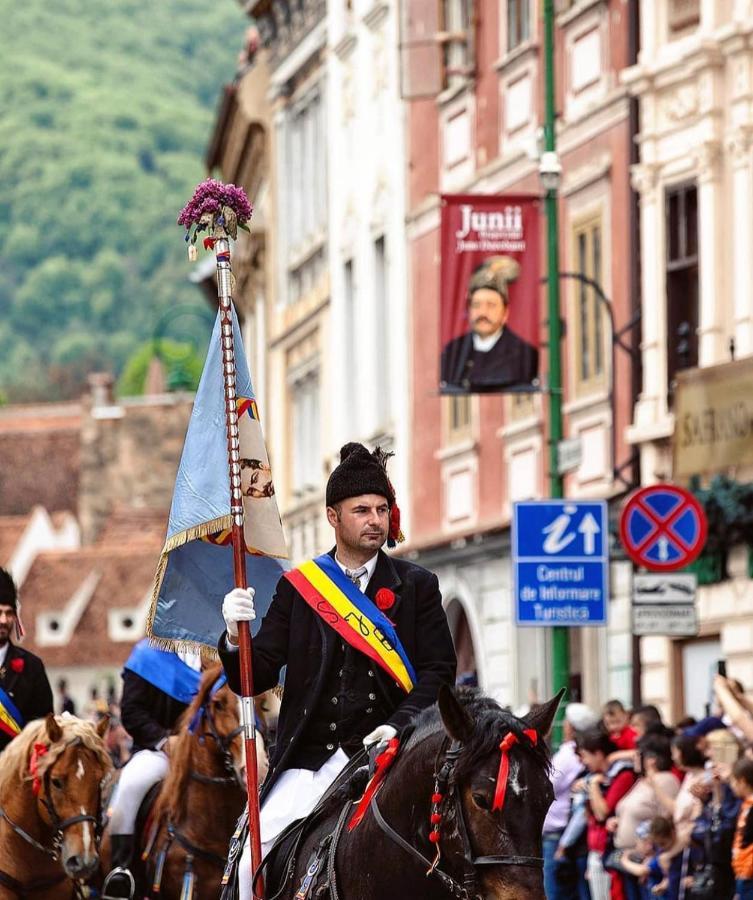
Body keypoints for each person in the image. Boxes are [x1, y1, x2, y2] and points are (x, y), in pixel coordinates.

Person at [219, 442, 457, 899]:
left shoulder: (418, 586)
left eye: (382, 509)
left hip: (389, 757)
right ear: (333, 517)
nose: (375, 520)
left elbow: (439, 673)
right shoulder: (299, 588)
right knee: (251, 859)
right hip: (310, 761)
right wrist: (234, 637)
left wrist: (397, 726)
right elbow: (254, 677)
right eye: (362, 510)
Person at [102, 639, 202, 899]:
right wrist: (163, 740)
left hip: (205, 752)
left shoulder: (214, 653)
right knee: (131, 784)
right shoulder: (147, 655)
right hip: (158, 751)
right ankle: (122, 870)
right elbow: (132, 711)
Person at [440, 256, 538, 392]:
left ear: (505, 313)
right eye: (476, 305)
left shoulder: (524, 354)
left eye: (491, 305)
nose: (483, 313)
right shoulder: (452, 352)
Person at [543, 702, 599, 900]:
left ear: (570, 727)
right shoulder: (571, 753)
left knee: (555, 894)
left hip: (556, 834)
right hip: (559, 834)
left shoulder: (569, 755)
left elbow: (547, 785)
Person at [576, 729, 637, 900]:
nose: (584, 762)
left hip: (609, 851)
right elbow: (592, 816)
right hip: (595, 851)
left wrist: (593, 786)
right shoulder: (596, 776)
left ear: (598, 754)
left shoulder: (622, 775)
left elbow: (603, 813)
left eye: (586, 755)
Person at [0, 568, 53, 753]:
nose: (4, 620)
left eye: (9, 613)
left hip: (18, 767)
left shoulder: (32, 667)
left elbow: (43, 722)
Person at [731, 757, 753, 899]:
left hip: (749, 874)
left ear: (742, 781)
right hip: (742, 874)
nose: (731, 785)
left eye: (733, 781)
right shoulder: (746, 805)